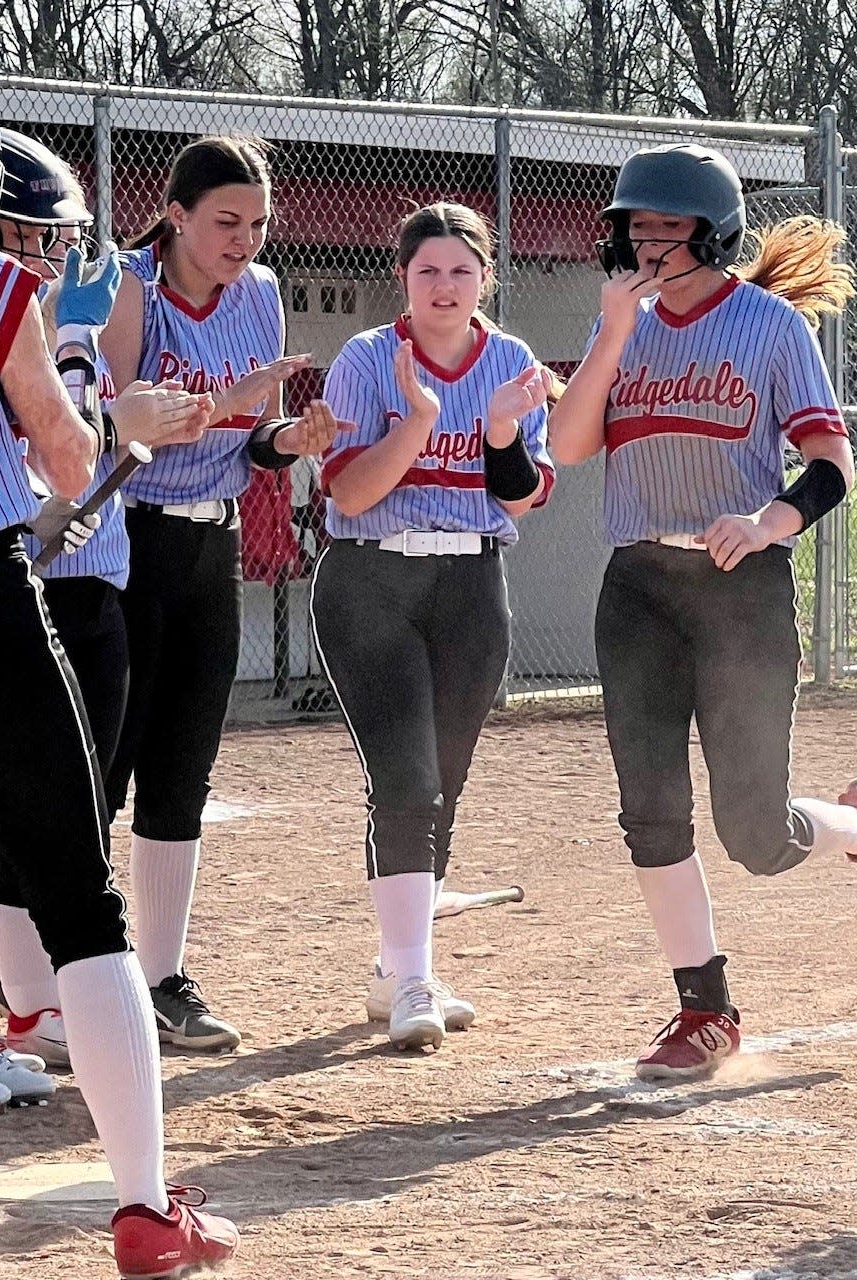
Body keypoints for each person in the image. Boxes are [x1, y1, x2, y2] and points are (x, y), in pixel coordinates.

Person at [548, 143, 857, 1083]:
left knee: (755, 834)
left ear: (712, 234)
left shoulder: (768, 328)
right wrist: (608, 332)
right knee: (650, 813)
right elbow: (565, 445)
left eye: (666, 229)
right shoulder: (622, 325)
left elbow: (832, 465)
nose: (645, 247)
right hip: (637, 586)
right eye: (634, 228)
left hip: (740, 594)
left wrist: (770, 520)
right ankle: (704, 1008)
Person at [0, 109, 238, 1275]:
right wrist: (112, 421)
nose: (39, 256)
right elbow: (68, 469)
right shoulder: (0, 289)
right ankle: (146, 1208)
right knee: (82, 904)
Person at [100, 135, 338, 1052]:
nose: (244, 240)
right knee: (102, 767)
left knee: (184, 769)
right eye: (225, 221)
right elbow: (116, 433)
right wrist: (225, 402)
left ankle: (163, 980)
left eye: (258, 223)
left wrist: (289, 438)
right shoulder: (130, 286)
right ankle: (49, 978)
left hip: (213, 541)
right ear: (176, 216)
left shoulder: (264, 292)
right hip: (128, 542)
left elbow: (255, 443)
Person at [311, 202, 554, 1051]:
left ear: (486, 277)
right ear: (403, 280)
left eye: (461, 271)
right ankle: (412, 975)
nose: (444, 287)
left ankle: (394, 969)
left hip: (472, 580)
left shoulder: (513, 362)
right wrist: (417, 421)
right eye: (427, 272)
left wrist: (495, 431)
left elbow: (522, 494)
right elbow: (347, 492)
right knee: (406, 778)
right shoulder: (369, 360)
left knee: (440, 782)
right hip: (372, 577)